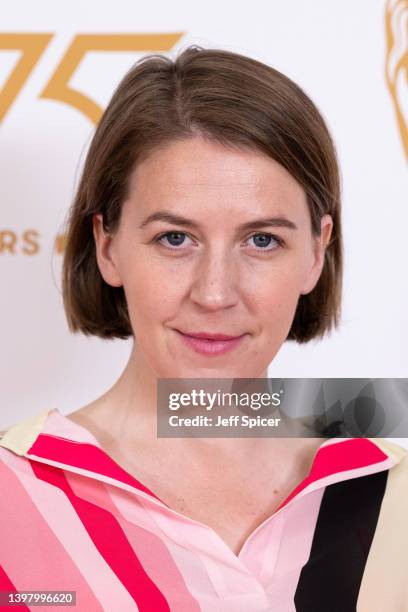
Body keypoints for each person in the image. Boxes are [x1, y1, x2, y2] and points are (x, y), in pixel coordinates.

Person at [0, 45, 407, 612]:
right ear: (107, 245)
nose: (215, 293)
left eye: (262, 240)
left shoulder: (395, 492)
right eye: (175, 239)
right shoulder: (11, 495)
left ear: (317, 252)